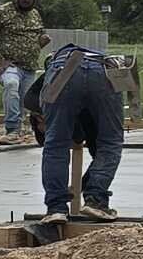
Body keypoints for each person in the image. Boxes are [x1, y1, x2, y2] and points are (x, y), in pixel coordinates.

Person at [24, 43, 125, 225]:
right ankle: (96, 200)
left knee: (55, 144)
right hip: (103, 68)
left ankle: (56, 209)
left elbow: (34, 102)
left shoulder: (36, 95)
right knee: (110, 143)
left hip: (63, 69)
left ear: (38, 120)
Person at [0, 0, 48, 136]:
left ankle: (22, 129)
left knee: (26, 101)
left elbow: (39, 36)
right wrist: (0, 59)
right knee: (11, 85)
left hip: (30, 67)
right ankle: (11, 128)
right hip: (10, 65)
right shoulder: (1, 12)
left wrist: (42, 41)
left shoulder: (35, 14)